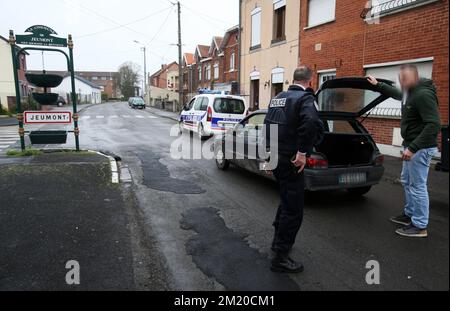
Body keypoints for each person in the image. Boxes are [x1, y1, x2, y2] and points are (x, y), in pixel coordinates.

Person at [367, 65, 441, 238]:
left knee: (418, 186)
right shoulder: (410, 91)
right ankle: (409, 214)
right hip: (411, 145)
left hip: (420, 148)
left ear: (415, 77)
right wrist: (378, 84)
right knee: (407, 182)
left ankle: (420, 225)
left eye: (405, 78)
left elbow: (434, 124)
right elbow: (398, 94)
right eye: (400, 78)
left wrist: (413, 148)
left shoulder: (423, 95)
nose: (402, 81)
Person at [264, 66, 323, 273]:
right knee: (293, 210)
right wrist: (302, 152)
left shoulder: (278, 97)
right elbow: (312, 122)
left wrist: (268, 157)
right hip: (291, 161)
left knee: (286, 201)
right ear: (310, 80)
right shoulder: (306, 98)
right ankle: (280, 257)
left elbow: (267, 125)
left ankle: (277, 242)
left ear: (294, 78)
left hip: (277, 159)